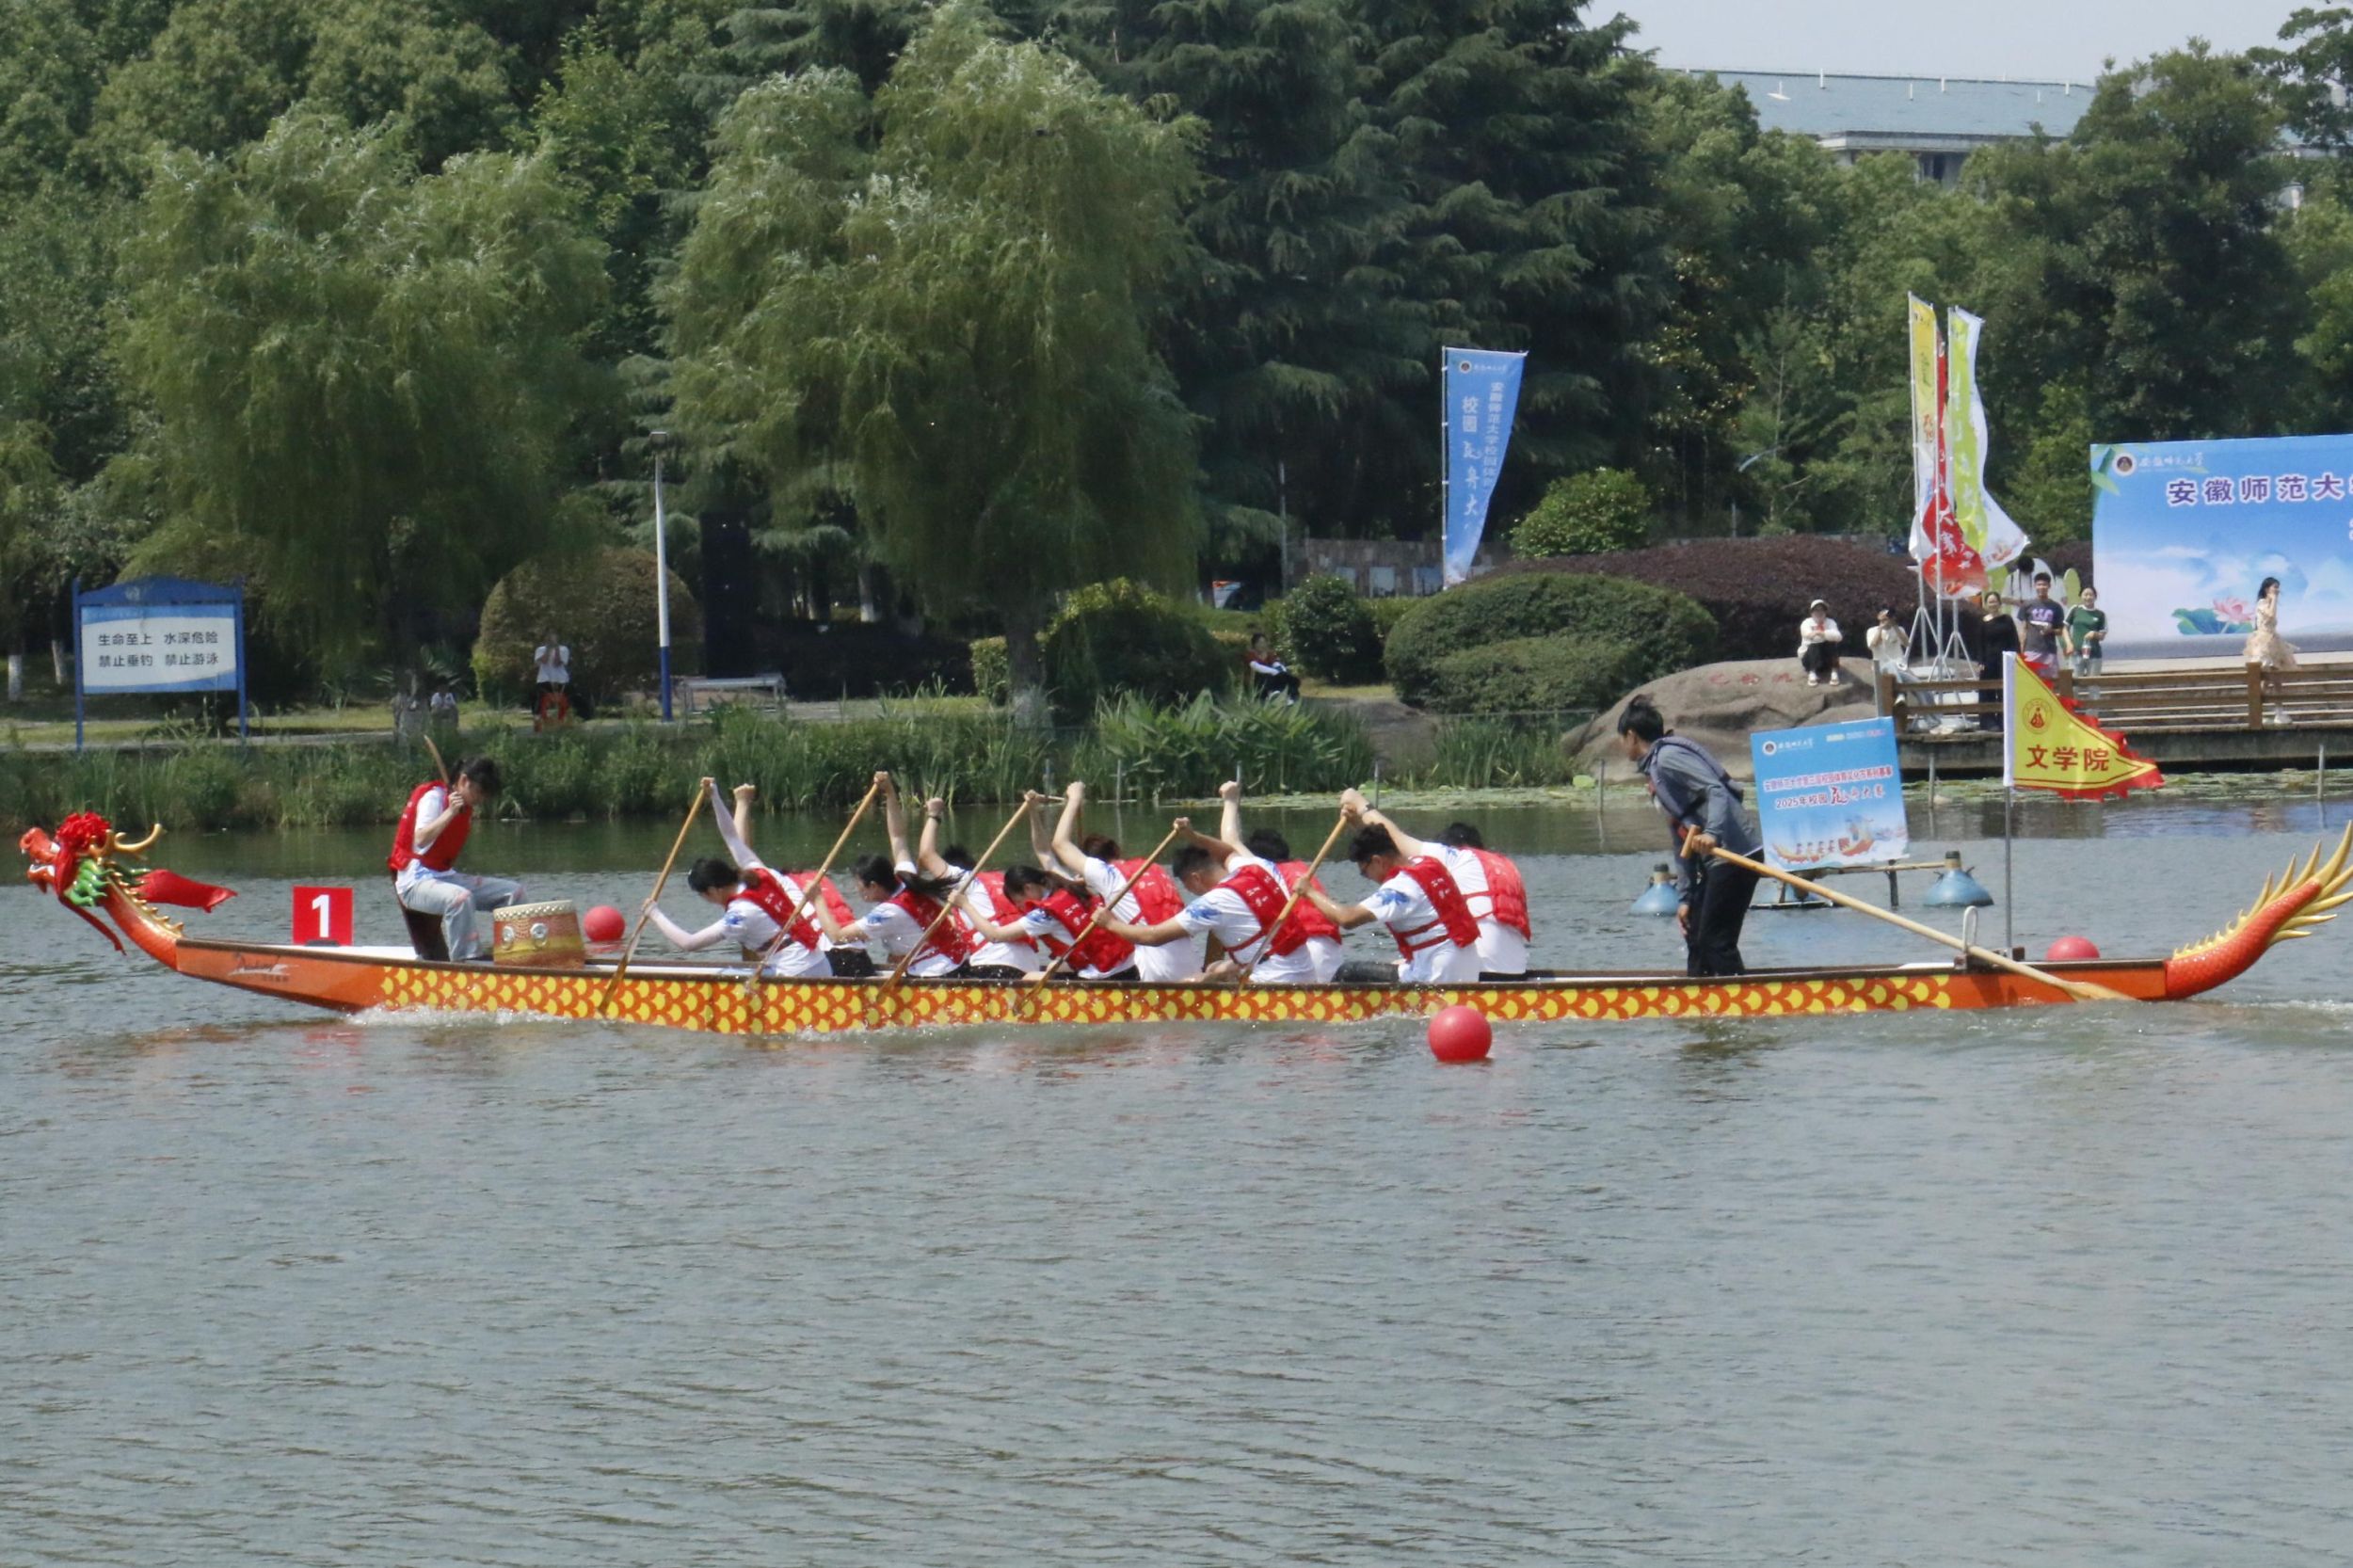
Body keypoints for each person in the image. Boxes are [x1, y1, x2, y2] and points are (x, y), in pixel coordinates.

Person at [1615, 695, 1761, 977]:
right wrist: (1685, 898)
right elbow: (1680, 837)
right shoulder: (1655, 771)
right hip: (1715, 862)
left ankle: (1743, 1005)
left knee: (1715, 941)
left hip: (1736, 854)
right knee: (1695, 934)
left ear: (1632, 736)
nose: (1622, 746)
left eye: (1622, 738)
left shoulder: (1669, 758)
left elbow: (1715, 790)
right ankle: (1698, 1004)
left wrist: (1713, 834)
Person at [646, 779, 850, 977]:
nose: (708, 901)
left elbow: (688, 943)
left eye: (704, 896)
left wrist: (654, 913)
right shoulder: (758, 872)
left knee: (729, 977)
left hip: (796, 974)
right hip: (820, 964)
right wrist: (715, 795)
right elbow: (731, 837)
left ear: (713, 890)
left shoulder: (738, 916)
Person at [1090, 820, 1324, 983]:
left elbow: (1152, 936)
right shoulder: (1253, 867)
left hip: (1272, 981)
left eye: (1188, 886)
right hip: (1304, 972)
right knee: (1214, 969)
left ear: (1195, 878)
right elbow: (1226, 852)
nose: (1191, 892)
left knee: (1205, 979)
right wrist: (1193, 836)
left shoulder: (1214, 903)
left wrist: (1110, 923)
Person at [1340, 794, 1529, 978]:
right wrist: (1360, 827)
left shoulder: (1456, 857)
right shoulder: (1505, 865)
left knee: (1376, 970)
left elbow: (1396, 841)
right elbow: (1386, 849)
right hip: (1516, 971)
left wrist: (1360, 804)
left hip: (1477, 972)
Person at [1297, 808, 1483, 985]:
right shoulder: (1428, 863)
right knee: (1394, 964)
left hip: (1437, 976)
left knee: (1348, 972)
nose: (1368, 878)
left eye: (1365, 872)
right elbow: (1386, 841)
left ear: (1377, 861)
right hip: (1465, 969)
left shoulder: (1401, 887)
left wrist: (1309, 892)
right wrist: (1358, 824)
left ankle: (1335, 1013)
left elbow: (1347, 919)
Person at [828, 773, 987, 979]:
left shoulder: (889, 912)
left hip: (937, 974)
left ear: (874, 885)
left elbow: (838, 937)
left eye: (859, 885)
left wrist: (817, 899)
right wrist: (889, 792)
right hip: (957, 962)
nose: (857, 891)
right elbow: (897, 837)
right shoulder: (907, 880)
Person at [1048, 781, 1206, 981]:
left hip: (1158, 974)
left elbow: (1059, 844)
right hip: (1191, 966)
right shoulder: (1151, 868)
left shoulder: (1107, 875)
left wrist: (1074, 799)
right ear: (1116, 851)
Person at [388, 757, 520, 961]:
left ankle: (514, 955)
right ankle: (466, 962)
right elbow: (420, 839)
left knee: (513, 893)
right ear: (464, 780)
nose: (481, 799)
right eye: (479, 792)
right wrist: (449, 812)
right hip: (415, 882)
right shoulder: (434, 798)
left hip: (444, 876)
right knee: (460, 899)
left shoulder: (463, 805)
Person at [1217, 782, 1345, 982]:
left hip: (1302, 956)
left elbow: (1230, 843)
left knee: (1221, 971)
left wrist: (1230, 801)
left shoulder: (1266, 871)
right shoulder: (1302, 870)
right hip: (1332, 957)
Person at [914, 793, 1045, 980]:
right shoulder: (1006, 882)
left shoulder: (967, 882)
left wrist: (934, 814)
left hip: (993, 964)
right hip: (1029, 964)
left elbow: (926, 854)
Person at [963, 864, 1140, 982]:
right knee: (1053, 966)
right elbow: (1045, 849)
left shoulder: (1045, 914)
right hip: (1129, 963)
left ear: (1028, 888)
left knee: (1027, 979)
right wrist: (1033, 813)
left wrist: (965, 905)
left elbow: (995, 936)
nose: (1021, 908)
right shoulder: (1069, 887)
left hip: (1105, 975)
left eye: (1019, 902)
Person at [2244, 575, 2298, 725]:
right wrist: (2273, 599)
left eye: (2278, 587)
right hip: (2264, 644)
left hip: (2273, 642)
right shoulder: (2262, 603)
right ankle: (2269, 712)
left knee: (2271, 681)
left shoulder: (2269, 602)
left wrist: (2273, 600)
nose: (2277, 590)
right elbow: (2271, 615)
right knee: (2269, 680)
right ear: (2267, 589)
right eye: (2275, 587)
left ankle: (2272, 712)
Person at [1974, 588, 2019, 731]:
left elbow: (2014, 640)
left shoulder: (2007, 619)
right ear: (1986, 604)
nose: (1993, 604)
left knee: (2005, 692)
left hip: (2005, 660)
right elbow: (1978, 644)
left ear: (2000, 603)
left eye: (1995, 601)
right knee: (1987, 693)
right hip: (1988, 661)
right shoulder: (1982, 622)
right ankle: (1988, 722)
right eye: (1990, 602)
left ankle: (2004, 721)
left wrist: (2016, 658)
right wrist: (1980, 662)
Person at [2015, 571, 2066, 676]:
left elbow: (2060, 630)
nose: (2041, 587)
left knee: (2049, 684)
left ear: (2049, 586)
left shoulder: (2056, 607)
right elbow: (2023, 629)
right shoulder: (2027, 605)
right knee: (2030, 682)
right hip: (2031, 650)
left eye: (2044, 584)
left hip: (2049, 651)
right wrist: (2021, 649)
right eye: (2039, 584)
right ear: (2035, 586)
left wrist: (2051, 630)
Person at [1797, 600, 1842, 685]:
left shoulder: (1830, 622)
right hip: (1809, 659)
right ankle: (1812, 673)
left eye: (1822, 610)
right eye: (1816, 610)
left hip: (1825, 660)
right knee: (1815, 645)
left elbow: (1838, 637)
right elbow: (1808, 635)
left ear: (1825, 612)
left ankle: (1834, 673)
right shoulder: (1806, 623)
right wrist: (1825, 635)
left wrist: (1821, 633)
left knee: (1832, 644)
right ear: (1811, 612)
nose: (1819, 612)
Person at [1246, 632, 1301, 703]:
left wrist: (1282, 672)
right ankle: (1273, 693)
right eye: (1259, 642)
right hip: (1258, 680)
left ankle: (1291, 697)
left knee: (1288, 678)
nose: (1262, 645)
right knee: (1269, 676)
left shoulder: (1269, 654)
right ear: (1254, 644)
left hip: (1271, 678)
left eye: (1263, 642)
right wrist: (1274, 671)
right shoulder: (1250, 655)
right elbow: (1256, 667)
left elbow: (1276, 663)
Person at [2065, 585, 2107, 678]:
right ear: (2081, 596)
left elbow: (2102, 635)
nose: (2088, 597)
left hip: (2094, 655)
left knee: (2093, 686)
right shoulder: (2075, 610)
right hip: (2076, 654)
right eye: (2085, 595)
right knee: (2074, 687)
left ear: (2095, 597)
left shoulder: (2100, 614)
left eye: (2091, 595)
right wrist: (2069, 643)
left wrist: (2095, 634)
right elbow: (2065, 628)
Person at [533, 634, 571, 726]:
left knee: (563, 703)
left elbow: (557, 663)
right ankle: (539, 723)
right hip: (544, 679)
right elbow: (543, 661)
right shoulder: (540, 650)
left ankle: (561, 722)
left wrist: (556, 649)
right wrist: (548, 649)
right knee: (541, 702)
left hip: (561, 679)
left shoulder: (564, 649)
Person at [1865, 609, 1909, 674]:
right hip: (1881, 666)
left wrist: (1895, 626)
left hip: (1899, 665)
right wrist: (1881, 628)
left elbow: (1906, 644)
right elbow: (1874, 644)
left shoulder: (1899, 630)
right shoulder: (1872, 631)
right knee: (1891, 668)